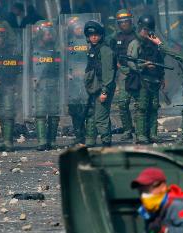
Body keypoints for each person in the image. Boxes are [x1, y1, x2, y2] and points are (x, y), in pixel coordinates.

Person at [127, 14, 165, 144]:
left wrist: (162, 77)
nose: (146, 32)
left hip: (154, 80)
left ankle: (153, 133)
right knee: (142, 108)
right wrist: (144, 65)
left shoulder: (155, 43)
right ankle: (141, 135)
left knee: (154, 108)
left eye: (148, 29)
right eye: (144, 29)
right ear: (139, 28)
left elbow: (161, 59)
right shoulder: (135, 43)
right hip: (142, 80)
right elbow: (131, 63)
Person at [27, 20, 61, 151]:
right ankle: (42, 141)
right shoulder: (32, 46)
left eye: (50, 33)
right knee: (40, 112)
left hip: (54, 81)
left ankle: (52, 141)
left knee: (54, 112)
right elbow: (27, 65)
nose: (49, 36)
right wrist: (31, 77)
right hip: (39, 83)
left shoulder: (56, 46)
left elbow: (61, 64)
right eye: (46, 33)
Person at [0, 22, 22, 152]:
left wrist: (17, 84)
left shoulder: (12, 50)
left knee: (8, 112)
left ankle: (8, 142)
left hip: (8, 84)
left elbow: (18, 68)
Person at [83, 20, 117, 147]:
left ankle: (106, 142)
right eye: (91, 35)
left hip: (103, 88)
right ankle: (101, 140)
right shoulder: (93, 49)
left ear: (101, 35)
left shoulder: (105, 50)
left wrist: (104, 91)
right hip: (95, 87)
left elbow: (108, 73)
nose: (93, 37)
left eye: (96, 34)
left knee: (101, 117)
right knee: (97, 115)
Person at [64, 16, 88, 146]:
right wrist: (68, 72)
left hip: (86, 79)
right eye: (76, 28)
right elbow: (64, 61)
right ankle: (79, 135)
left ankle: (89, 136)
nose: (78, 30)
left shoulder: (88, 42)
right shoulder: (68, 43)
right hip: (72, 80)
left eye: (80, 28)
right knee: (74, 108)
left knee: (86, 108)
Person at [113, 9, 136, 141]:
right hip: (123, 73)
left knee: (140, 104)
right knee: (122, 103)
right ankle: (127, 130)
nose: (124, 24)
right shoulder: (115, 37)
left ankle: (141, 131)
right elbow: (110, 54)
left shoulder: (138, 36)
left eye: (126, 22)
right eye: (121, 22)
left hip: (138, 73)